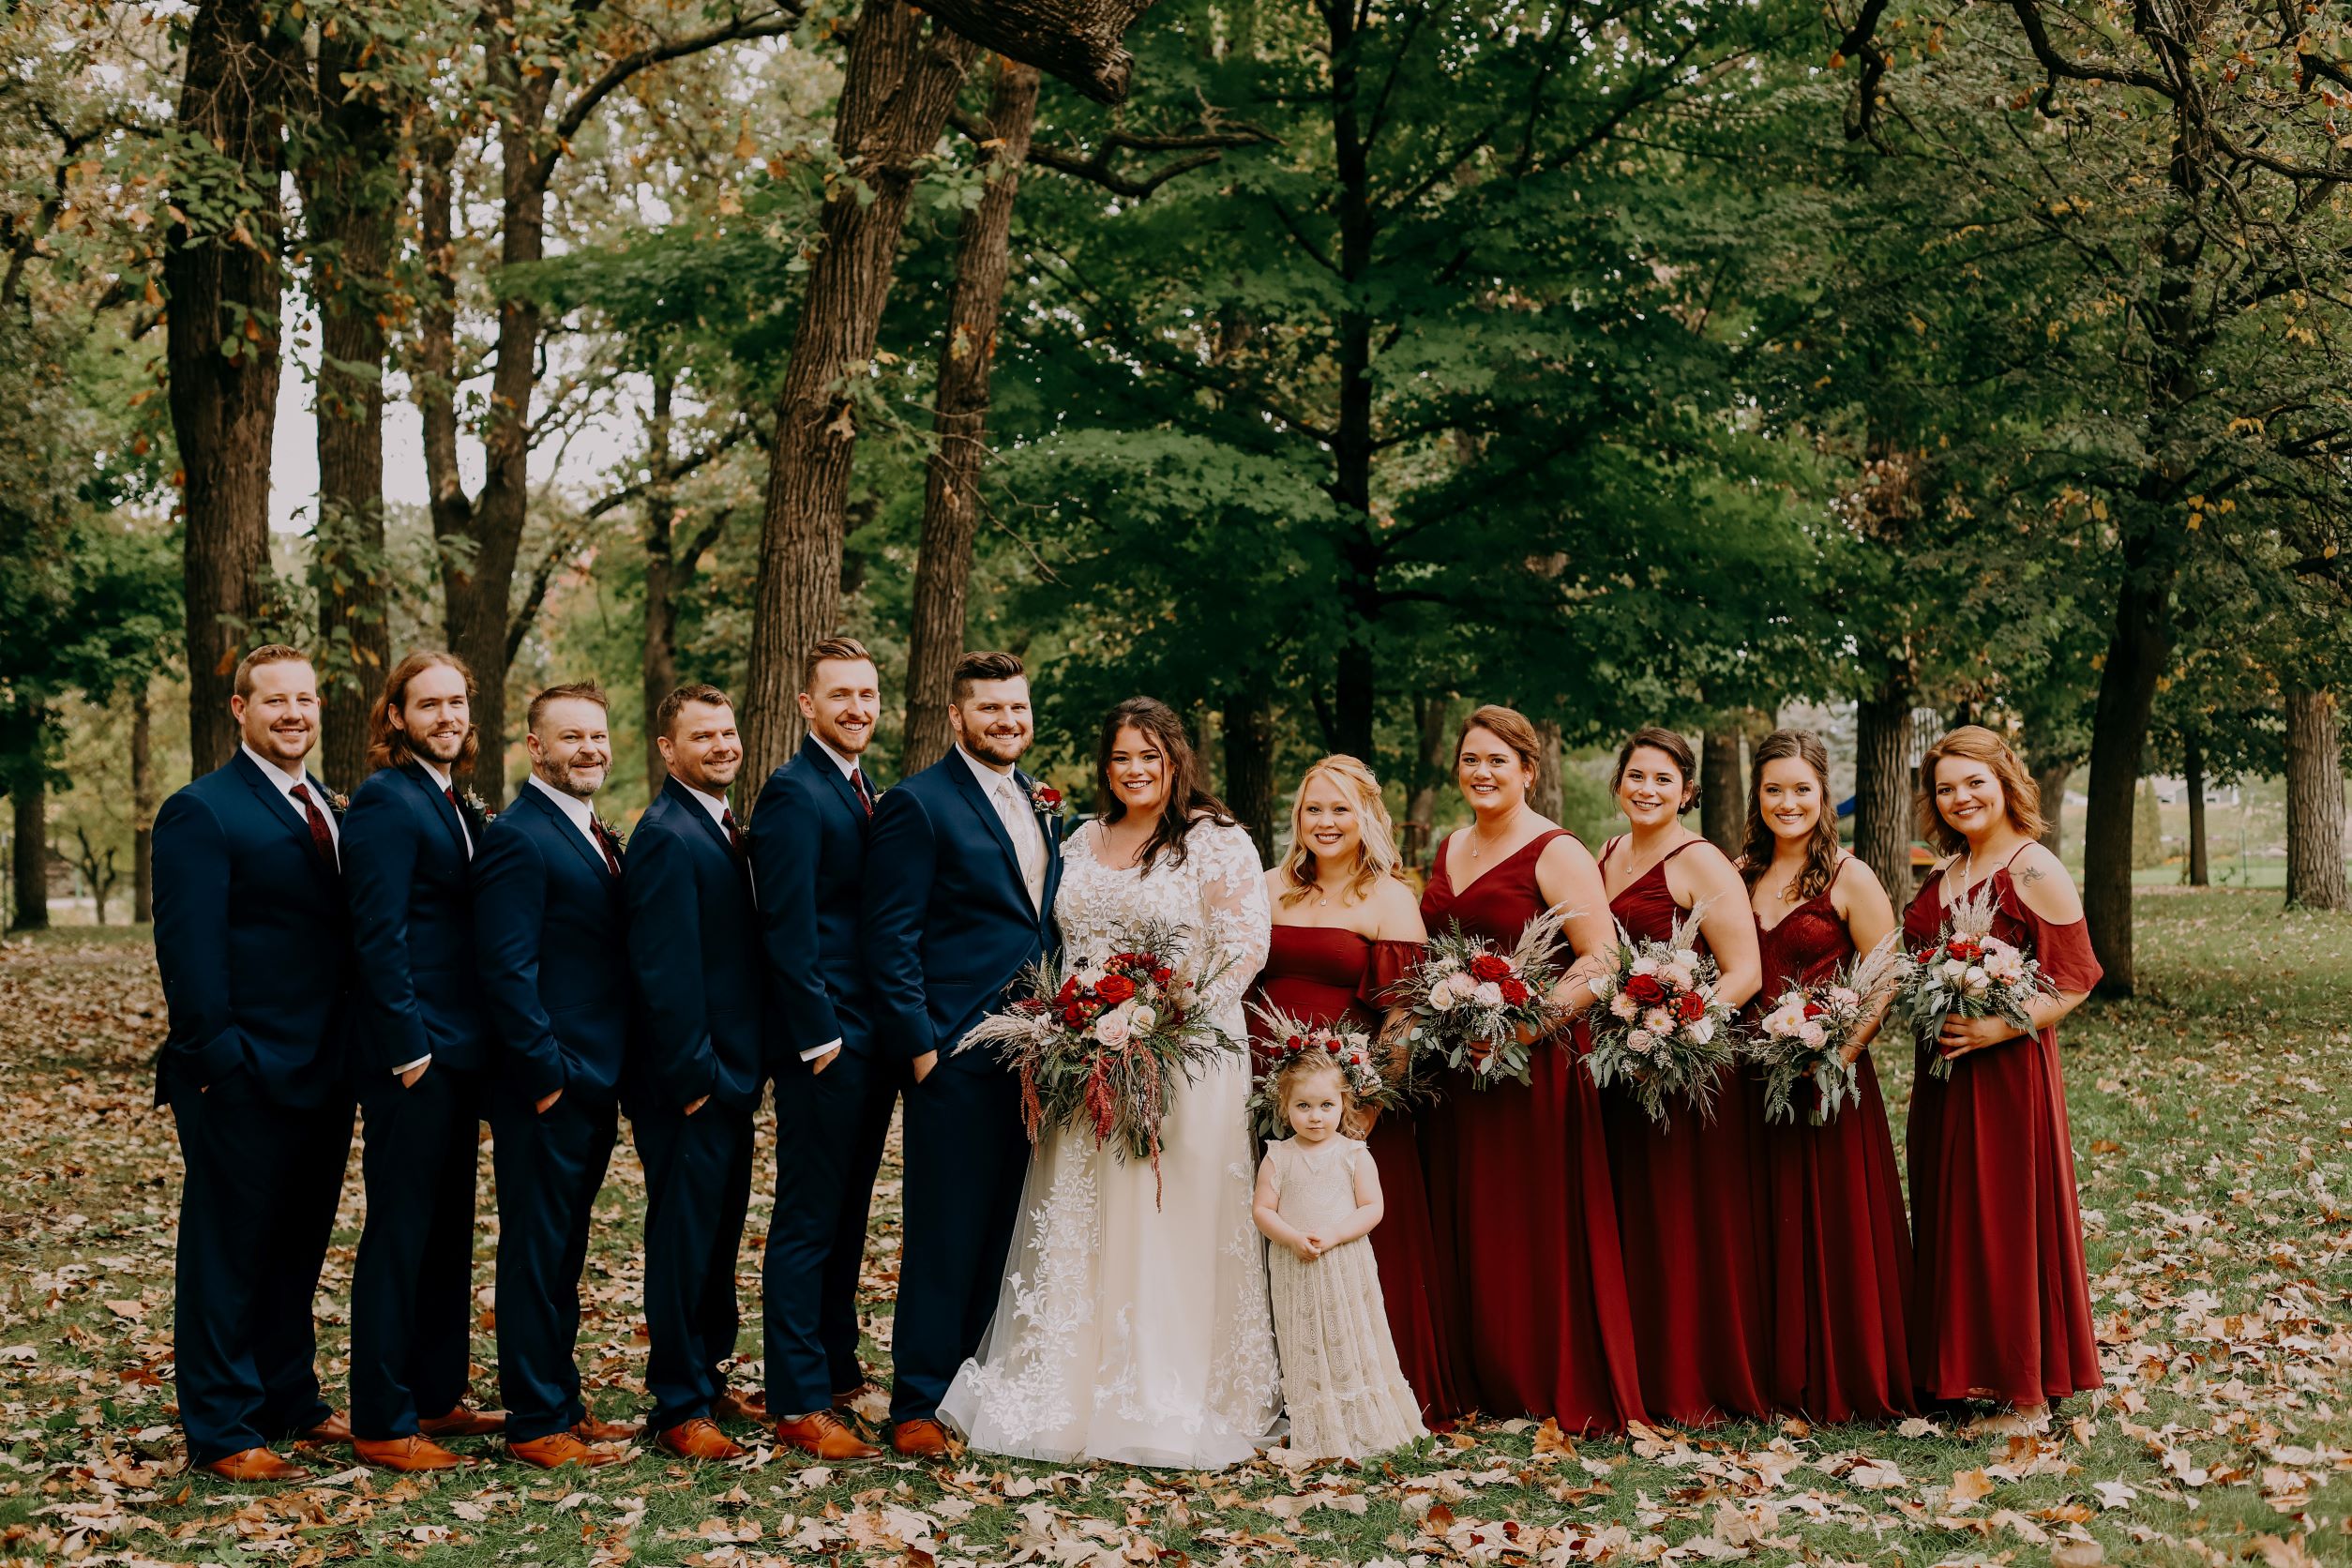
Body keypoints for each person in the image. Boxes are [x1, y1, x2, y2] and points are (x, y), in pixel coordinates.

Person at [940, 696, 1277, 1469]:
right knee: (1085, 1209)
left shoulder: (1214, 840)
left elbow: (1243, 945)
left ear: (1176, 760)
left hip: (1187, 1051)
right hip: (1085, 1052)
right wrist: (1077, 1020)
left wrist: (1168, 1013)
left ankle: (1168, 1385)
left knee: (1167, 1213)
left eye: (1150, 757)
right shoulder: (1083, 839)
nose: (1135, 771)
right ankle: (1070, 1382)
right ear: (1105, 765)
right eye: (1121, 757)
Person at [150, 645, 356, 1481]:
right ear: (240, 710)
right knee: (227, 1252)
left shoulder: (332, 807)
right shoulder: (202, 811)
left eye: (305, 699)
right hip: (240, 1072)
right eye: (275, 701)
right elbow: (189, 952)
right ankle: (223, 1426)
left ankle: (289, 1400)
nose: (294, 714)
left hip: (323, 1069)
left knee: (296, 1246)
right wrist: (220, 1060)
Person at [1417, 704, 1644, 1431]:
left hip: (1534, 1066)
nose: (1481, 773)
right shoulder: (1450, 845)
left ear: (1528, 771)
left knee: (1527, 1221)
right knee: (1471, 1217)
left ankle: (1542, 1376)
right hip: (1457, 1065)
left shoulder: (1556, 849)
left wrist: (1527, 1026)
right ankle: (1477, 1375)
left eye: (1497, 762)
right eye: (1470, 760)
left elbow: (1602, 959)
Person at [863, 652, 1063, 1457]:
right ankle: (915, 1399)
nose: (1006, 722)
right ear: (957, 717)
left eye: (1016, 708)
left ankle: (977, 1389)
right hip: (953, 1057)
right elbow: (889, 938)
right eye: (989, 710)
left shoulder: (1037, 802)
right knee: (945, 1233)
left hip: (1038, 1060)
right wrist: (922, 1052)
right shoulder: (919, 805)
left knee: (1007, 1230)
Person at [1251, 755, 1470, 1425]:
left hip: (1346, 1105)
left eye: (1340, 808)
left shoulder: (1390, 899)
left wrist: (1364, 1108)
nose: (1325, 821)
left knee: (1350, 1243)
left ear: (1367, 816)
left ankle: (1364, 1392)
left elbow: (1404, 1015)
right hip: (1263, 1095)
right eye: (1314, 808)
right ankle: (1273, 1388)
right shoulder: (1267, 887)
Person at [1900, 725, 2103, 1431]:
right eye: (1946, 788)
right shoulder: (1945, 869)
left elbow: (2077, 978)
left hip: (2006, 1074)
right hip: (1943, 1075)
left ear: (2004, 780)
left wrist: (1996, 1027)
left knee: (2004, 1219)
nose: (1960, 797)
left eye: (1973, 782)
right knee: (1951, 1214)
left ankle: (2025, 1397)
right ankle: (1955, 1371)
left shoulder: (2031, 865)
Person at [339, 651, 504, 1470]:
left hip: (461, 1051)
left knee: (445, 1234)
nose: (446, 716)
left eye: (457, 703)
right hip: (414, 1056)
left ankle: (435, 1398)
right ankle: (379, 1418)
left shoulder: (449, 802)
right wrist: (407, 1049)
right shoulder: (383, 802)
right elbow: (376, 934)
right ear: (395, 717)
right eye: (428, 704)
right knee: (401, 1235)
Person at [473, 683, 639, 1469]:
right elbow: (505, 969)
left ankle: (563, 1400)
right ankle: (535, 1422)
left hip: (593, 1078)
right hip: (549, 1085)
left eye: (598, 737)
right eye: (571, 738)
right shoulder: (518, 836)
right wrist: (547, 1076)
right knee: (537, 1254)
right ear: (534, 748)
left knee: (564, 1252)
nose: (590, 750)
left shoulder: (592, 829)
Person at [1739, 730, 1915, 1422]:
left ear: (1823, 794)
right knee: (1760, 1215)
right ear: (1758, 796)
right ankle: (1768, 1371)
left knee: (1832, 1220)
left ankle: (1844, 1372)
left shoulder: (1851, 875)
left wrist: (1836, 1055)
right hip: (1749, 1075)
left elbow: (1885, 975)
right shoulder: (1737, 870)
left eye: (1801, 789)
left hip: (1829, 1073)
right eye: (1774, 789)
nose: (1788, 802)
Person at [1595, 726, 1770, 1425]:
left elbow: (1745, 970)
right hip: (1617, 1065)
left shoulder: (1700, 863)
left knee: (1681, 1215)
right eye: (1637, 776)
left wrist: (1673, 1027)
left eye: (1664, 780)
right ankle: (1634, 1369)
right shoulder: (1604, 855)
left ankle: (1690, 1377)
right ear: (1618, 784)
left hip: (1684, 1067)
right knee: (1632, 1211)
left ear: (1688, 792)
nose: (1648, 789)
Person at [747, 640, 892, 1462]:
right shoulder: (795, 793)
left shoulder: (857, 786)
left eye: (867, 694)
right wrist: (820, 1035)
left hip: (864, 1039)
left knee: (846, 1213)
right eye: (839, 695)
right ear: (806, 705)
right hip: (825, 1044)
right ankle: (798, 1398)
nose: (857, 708)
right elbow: (786, 925)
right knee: (808, 1219)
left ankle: (834, 1366)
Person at [624, 685, 767, 1459]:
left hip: (728, 1077)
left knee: (714, 1236)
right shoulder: (665, 835)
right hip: (689, 1084)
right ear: (668, 750)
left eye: (727, 732)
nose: (721, 745)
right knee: (682, 1240)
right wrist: (698, 1079)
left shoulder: (720, 825)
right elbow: (664, 971)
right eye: (701, 736)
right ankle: (678, 1405)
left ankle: (704, 1379)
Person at [1252, 1054, 1427, 1461]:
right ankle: (1319, 1433)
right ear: (1285, 1106)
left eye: (1326, 1106)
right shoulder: (1279, 1155)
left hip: (1344, 1263)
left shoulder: (1353, 1153)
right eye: (1303, 1106)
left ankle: (1365, 1426)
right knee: (1307, 1341)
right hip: (1296, 1265)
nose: (1315, 1117)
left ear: (1344, 1104)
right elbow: (1262, 1210)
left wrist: (1332, 1234)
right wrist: (1293, 1237)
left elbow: (1372, 1208)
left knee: (1350, 1335)